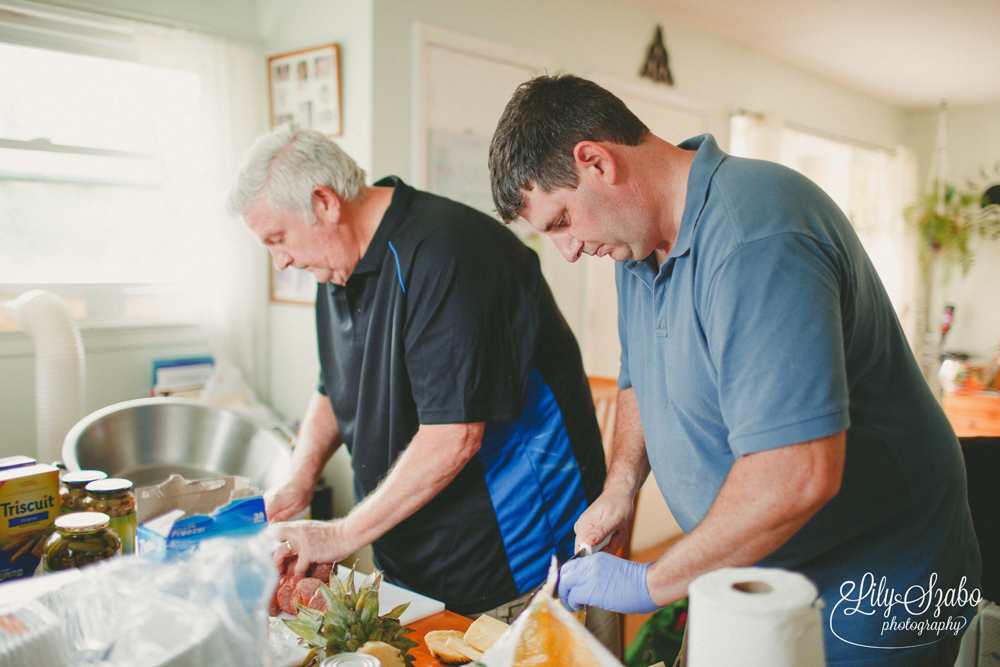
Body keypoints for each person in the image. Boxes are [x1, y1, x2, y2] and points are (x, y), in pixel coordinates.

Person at [488, 74, 982, 666]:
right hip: (751, 556)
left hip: (877, 572)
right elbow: (638, 377)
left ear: (596, 162)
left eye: (561, 221)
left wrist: (648, 585)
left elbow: (796, 474)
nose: (566, 250)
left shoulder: (759, 233)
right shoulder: (635, 243)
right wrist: (621, 485)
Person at [226, 124, 618, 648]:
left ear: (323, 203)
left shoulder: (448, 252)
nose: (281, 260)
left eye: (277, 239)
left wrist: (340, 533)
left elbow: (455, 435)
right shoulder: (337, 269)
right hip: (412, 558)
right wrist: (299, 478)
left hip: (516, 561)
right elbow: (332, 388)